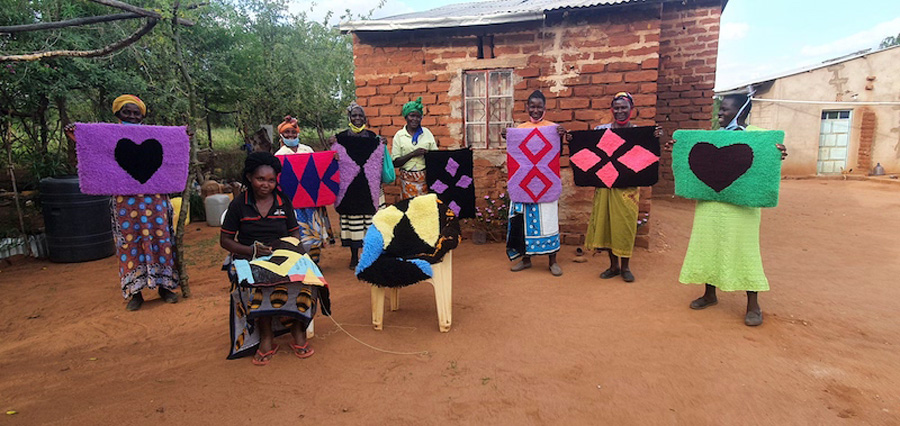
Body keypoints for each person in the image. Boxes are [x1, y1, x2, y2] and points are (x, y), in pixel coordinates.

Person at [666, 93, 788, 326]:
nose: (720, 113)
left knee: (745, 249)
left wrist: (779, 153)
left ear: (742, 111)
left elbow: (768, 164)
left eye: (726, 109)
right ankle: (709, 294)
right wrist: (679, 149)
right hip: (710, 203)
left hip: (742, 208)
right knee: (708, 245)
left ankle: (753, 304)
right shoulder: (714, 139)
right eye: (720, 109)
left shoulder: (761, 138)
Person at [65, 94, 181, 311]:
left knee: (162, 238)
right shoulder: (109, 136)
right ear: (117, 113)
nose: (132, 116)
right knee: (129, 242)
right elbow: (96, 151)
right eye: (127, 112)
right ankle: (135, 293)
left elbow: (173, 151)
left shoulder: (155, 135)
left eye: (136, 112)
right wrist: (78, 136)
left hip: (154, 199)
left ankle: (165, 287)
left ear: (143, 115)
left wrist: (185, 137)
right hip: (125, 202)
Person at [220, 152, 319, 365]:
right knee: (258, 283)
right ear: (249, 177)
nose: (266, 184)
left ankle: (297, 329)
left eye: (271, 180)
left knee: (308, 279)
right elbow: (225, 240)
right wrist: (251, 251)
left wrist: (291, 252)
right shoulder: (239, 204)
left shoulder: (283, 201)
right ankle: (266, 337)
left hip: (282, 254)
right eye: (260, 179)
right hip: (249, 256)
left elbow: (294, 233)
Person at [581, 92, 664, 283]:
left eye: (623, 108)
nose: (620, 111)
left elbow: (647, 157)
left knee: (625, 226)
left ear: (631, 110)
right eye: (616, 108)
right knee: (608, 225)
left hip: (627, 189)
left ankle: (625, 267)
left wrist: (655, 137)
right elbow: (588, 149)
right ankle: (613, 266)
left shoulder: (638, 133)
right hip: (605, 186)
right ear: (612, 110)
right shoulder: (601, 130)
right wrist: (572, 139)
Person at [501, 90, 566, 277]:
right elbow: (517, 156)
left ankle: (552, 260)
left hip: (546, 185)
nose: (536, 110)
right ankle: (526, 259)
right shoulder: (520, 129)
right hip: (523, 185)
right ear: (527, 107)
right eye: (532, 106)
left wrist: (560, 137)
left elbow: (556, 155)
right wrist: (509, 137)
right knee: (523, 222)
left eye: (539, 106)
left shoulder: (553, 128)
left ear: (545, 108)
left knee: (549, 220)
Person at [329, 102, 395, 269]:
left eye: (360, 116)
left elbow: (378, 158)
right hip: (350, 189)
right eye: (354, 116)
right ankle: (353, 256)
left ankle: (371, 254)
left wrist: (382, 143)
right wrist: (332, 149)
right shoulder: (340, 138)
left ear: (365, 118)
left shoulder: (373, 138)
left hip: (370, 187)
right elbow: (332, 159)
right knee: (353, 222)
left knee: (372, 222)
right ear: (349, 118)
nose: (358, 118)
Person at [273, 116, 332, 263]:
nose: (291, 135)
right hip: (292, 202)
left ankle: (315, 261)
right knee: (298, 231)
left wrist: (333, 158)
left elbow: (317, 172)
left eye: (293, 132)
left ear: (298, 133)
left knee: (315, 230)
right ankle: (302, 262)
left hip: (312, 199)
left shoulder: (307, 150)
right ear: (281, 135)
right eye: (287, 133)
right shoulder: (279, 156)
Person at [392, 97, 438, 199]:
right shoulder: (399, 136)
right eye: (412, 116)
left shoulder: (427, 133)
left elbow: (436, 157)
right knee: (410, 208)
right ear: (406, 117)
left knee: (425, 208)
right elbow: (395, 162)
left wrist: (428, 154)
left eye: (418, 116)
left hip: (425, 179)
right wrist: (413, 154)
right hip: (407, 181)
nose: (415, 119)